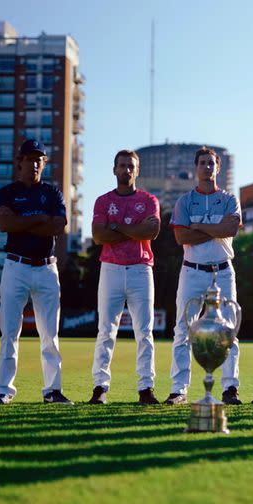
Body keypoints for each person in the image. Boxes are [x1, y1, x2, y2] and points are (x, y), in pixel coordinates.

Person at [0, 139, 72, 405]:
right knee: (10, 332)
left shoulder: (53, 193)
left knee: (50, 334)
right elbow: (4, 225)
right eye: (30, 158)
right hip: (16, 266)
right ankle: (4, 390)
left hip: (47, 268)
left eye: (40, 159)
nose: (35, 163)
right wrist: (39, 219)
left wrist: (20, 222)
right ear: (20, 162)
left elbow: (58, 227)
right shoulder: (7, 193)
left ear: (44, 163)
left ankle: (52, 391)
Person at [165, 147, 243, 405]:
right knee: (183, 329)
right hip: (193, 271)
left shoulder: (230, 198)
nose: (207, 167)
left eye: (212, 163)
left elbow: (231, 228)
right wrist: (215, 229)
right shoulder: (184, 201)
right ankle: (179, 389)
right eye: (203, 163)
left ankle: (230, 388)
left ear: (218, 168)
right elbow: (181, 237)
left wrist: (197, 226)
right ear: (196, 168)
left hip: (222, 271)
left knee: (229, 329)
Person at [89, 150, 160, 405]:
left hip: (141, 268)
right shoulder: (102, 201)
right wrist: (134, 231)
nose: (126, 170)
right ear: (114, 169)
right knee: (106, 330)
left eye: (131, 166)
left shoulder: (149, 200)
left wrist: (116, 227)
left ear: (137, 170)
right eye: (122, 165)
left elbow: (151, 231)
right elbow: (98, 236)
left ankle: (146, 388)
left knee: (145, 332)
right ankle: (100, 387)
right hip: (111, 268)